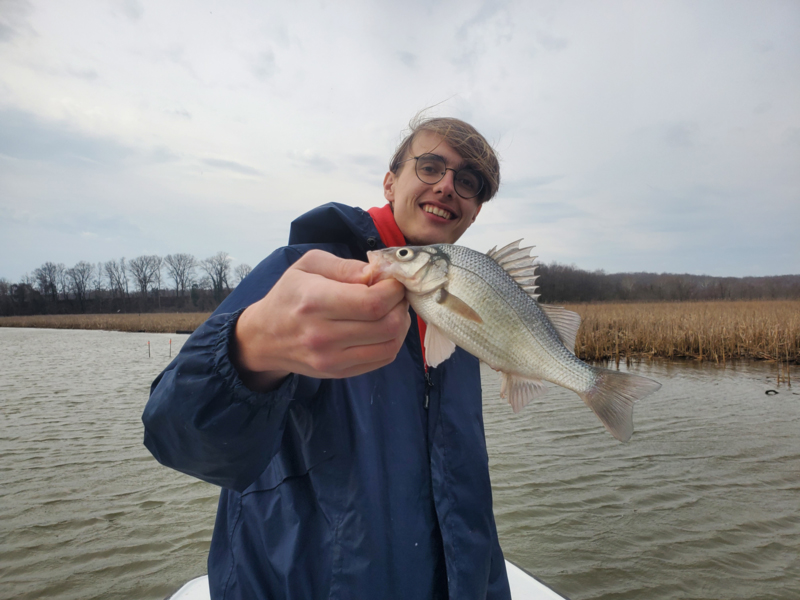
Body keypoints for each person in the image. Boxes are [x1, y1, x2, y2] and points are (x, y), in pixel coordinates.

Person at [142, 115, 510, 599]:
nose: (446, 186)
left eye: (469, 182)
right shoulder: (299, 275)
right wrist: (250, 349)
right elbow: (174, 435)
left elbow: (468, 496)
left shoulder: (467, 313)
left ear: (476, 210)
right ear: (390, 180)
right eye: (430, 166)